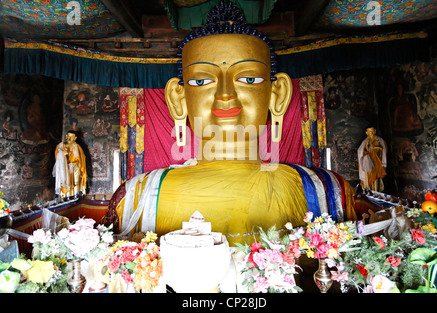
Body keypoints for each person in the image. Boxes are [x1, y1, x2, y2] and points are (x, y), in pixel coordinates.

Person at [106, 1, 357, 245]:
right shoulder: (136, 196)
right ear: (178, 100)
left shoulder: (326, 191)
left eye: (248, 79)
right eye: (202, 81)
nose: (225, 95)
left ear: (277, 95)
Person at [53, 131, 87, 197]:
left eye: (71, 137)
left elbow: (82, 159)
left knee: (76, 182)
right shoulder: (60, 146)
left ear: (75, 138)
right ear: (66, 136)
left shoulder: (77, 147)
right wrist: (62, 155)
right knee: (65, 183)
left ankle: (75, 196)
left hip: (75, 167)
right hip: (64, 167)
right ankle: (65, 197)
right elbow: (57, 159)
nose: (69, 138)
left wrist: (82, 171)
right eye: (68, 136)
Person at [357, 127, 387, 191]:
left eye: (372, 131)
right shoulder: (365, 141)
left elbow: (384, 151)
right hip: (368, 164)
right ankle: (369, 191)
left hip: (377, 163)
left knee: (377, 179)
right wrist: (366, 156)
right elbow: (360, 151)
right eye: (369, 131)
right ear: (367, 133)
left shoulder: (380, 140)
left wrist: (384, 163)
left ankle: (377, 190)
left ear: (375, 131)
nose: (371, 133)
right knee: (368, 178)